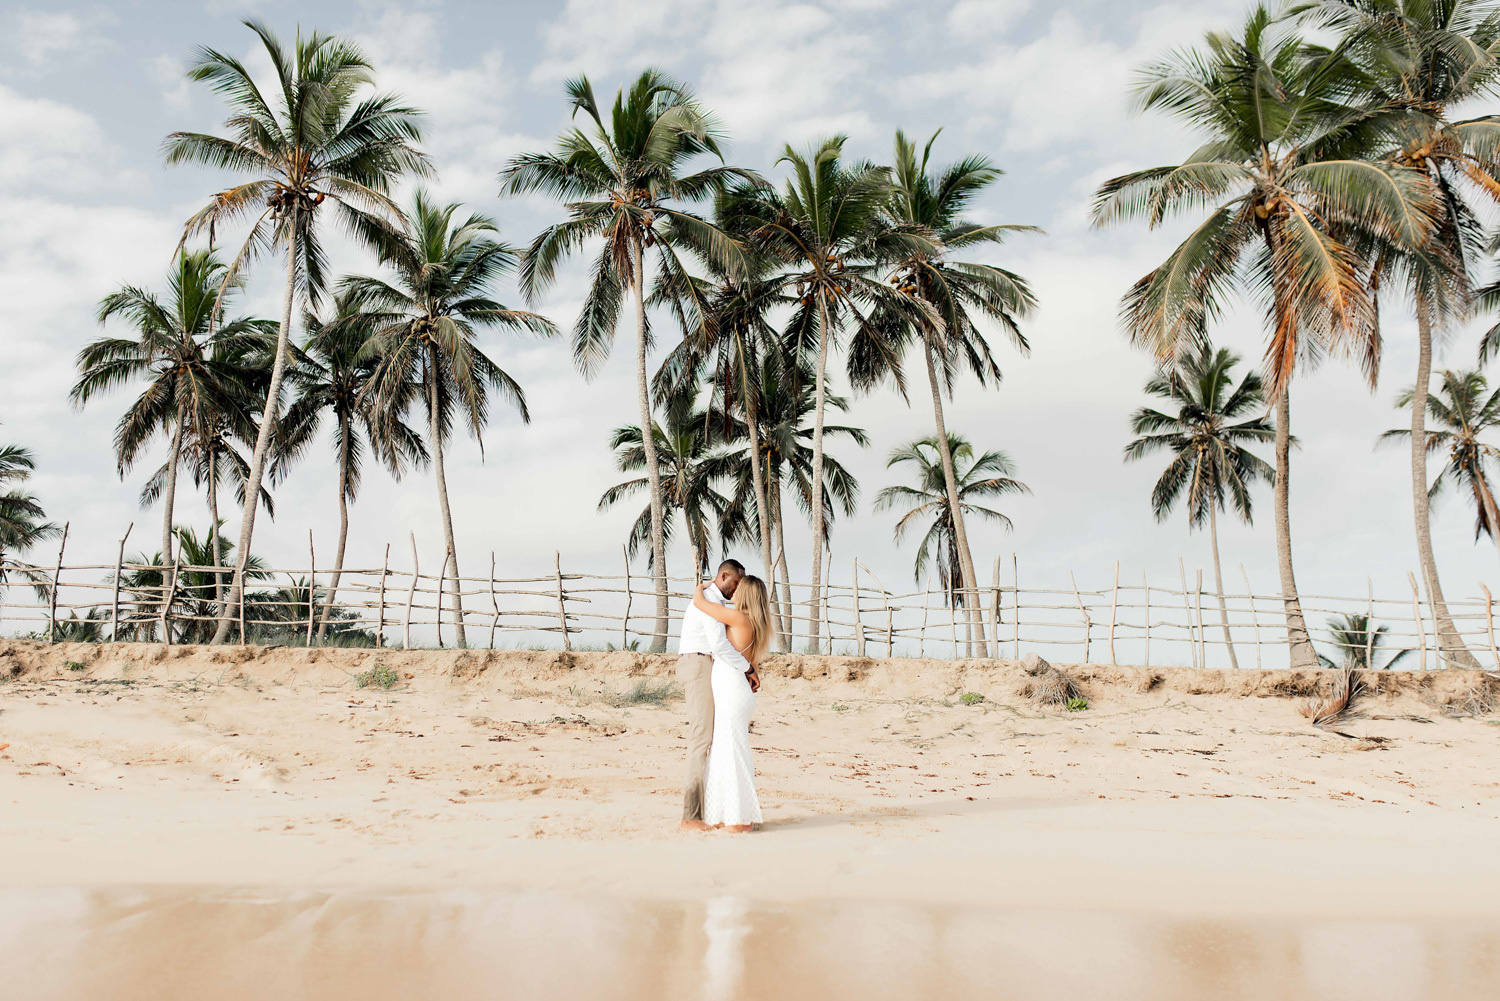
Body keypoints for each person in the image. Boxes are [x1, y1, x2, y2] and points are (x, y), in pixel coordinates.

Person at [691, 575, 774, 833]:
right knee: (731, 748)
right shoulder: (753, 623)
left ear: (746, 595)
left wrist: (700, 587)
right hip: (736, 690)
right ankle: (734, 815)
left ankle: (738, 820)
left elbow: (701, 604)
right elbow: (751, 659)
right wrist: (753, 672)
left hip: (732, 690)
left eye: (739, 589)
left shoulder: (739, 618)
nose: (734, 592)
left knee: (731, 750)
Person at [676, 560, 752, 831]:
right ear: (723, 576)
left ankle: (708, 812)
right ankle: (690, 818)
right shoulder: (710, 599)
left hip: (703, 664)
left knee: (709, 739)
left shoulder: (710, 599)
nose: (737, 589)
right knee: (701, 739)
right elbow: (719, 644)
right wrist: (748, 668)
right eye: (735, 582)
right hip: (698, 664)